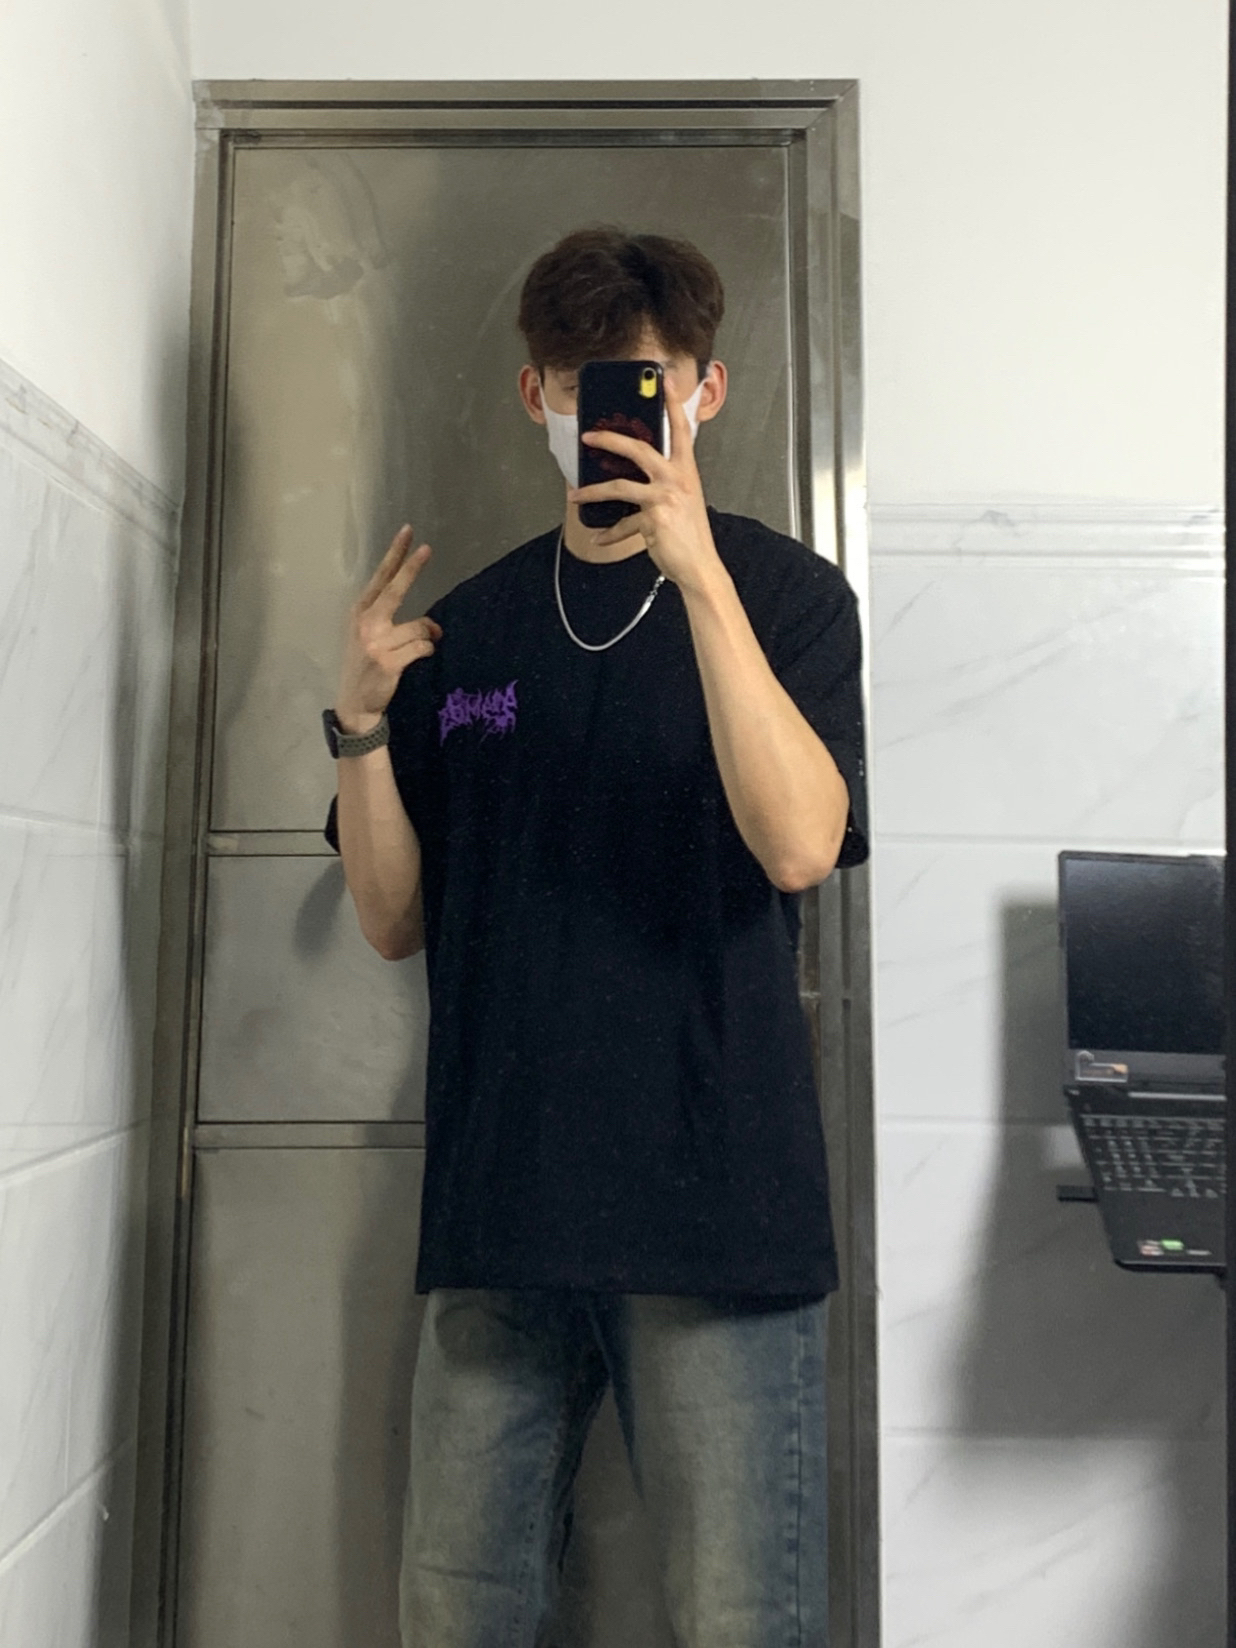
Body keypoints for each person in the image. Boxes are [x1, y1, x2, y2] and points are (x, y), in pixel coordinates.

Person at [322, 226, 870, 1648]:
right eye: (582, 388)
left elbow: (800, 845)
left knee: (741, 1620)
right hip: (501, 1205)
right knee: (456, 1614)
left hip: (719, 1210)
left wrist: (701, 581)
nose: (612, 417)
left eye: (649, 385)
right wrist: (362, 727)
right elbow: (391, 920)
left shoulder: (790, 601)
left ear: (707, 392)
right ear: (536, 398)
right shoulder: (474, 629)